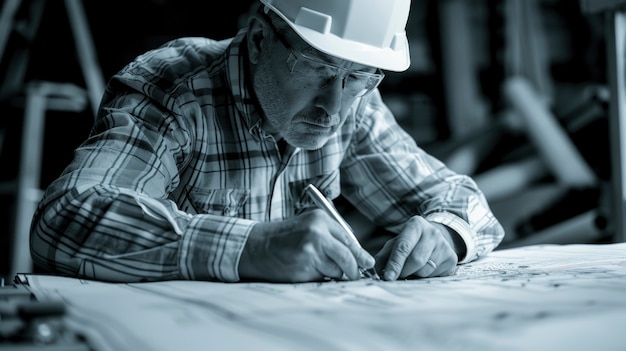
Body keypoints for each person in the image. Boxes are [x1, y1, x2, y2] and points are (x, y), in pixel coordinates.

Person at [30, 0, 505, 283]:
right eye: (318, 71)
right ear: (260, 39)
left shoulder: (354, 105)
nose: (334, 108)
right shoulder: (174, 91)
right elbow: (66, 219)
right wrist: (250, 247)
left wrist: (445, 236)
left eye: (360, 78)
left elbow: (466, 204)